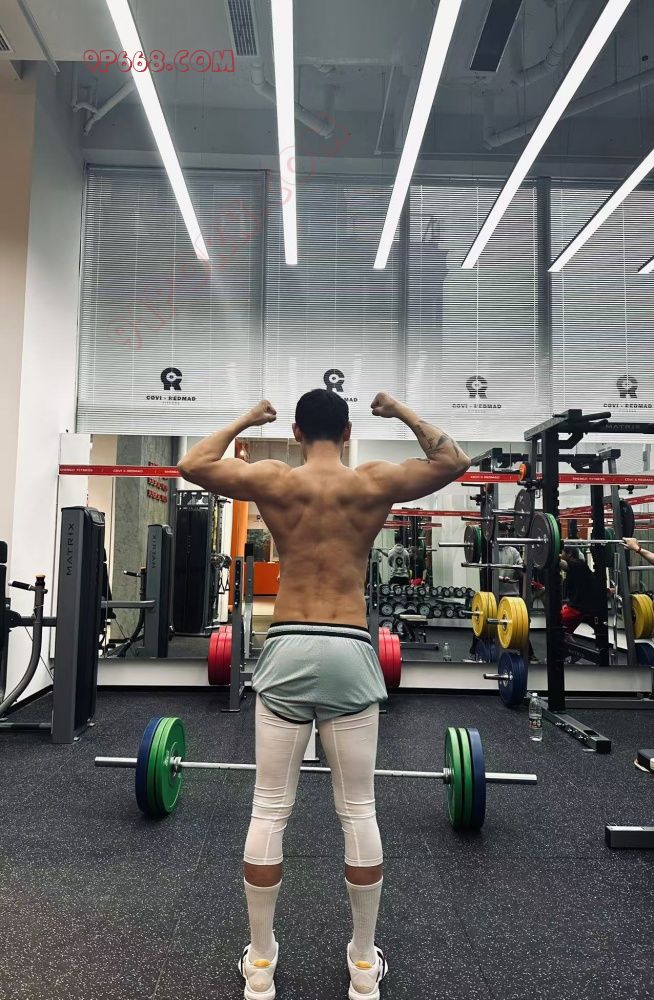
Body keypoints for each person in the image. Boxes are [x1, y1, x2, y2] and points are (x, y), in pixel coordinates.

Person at [178, 390, 470, 1000]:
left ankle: (261, 965)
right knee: (358, 810)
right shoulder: (371, 482)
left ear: (295, 430)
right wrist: (402, 412)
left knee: (268, 809)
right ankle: (363, 966)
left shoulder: (274, 480)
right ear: (347, 432)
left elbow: (193, 465)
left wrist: (247, 419)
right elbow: (453, 462)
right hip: (348, 646)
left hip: (288, 643)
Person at [559, 547, 607, 634]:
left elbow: (559, 563)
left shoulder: (576, 564)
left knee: (557, 622)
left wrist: (551, 554)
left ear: (569, 554)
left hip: (580, 606)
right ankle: (567, 636)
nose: (561, 554)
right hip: (584, 603)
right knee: (565, 630)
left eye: (562, 552)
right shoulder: (580, 564)